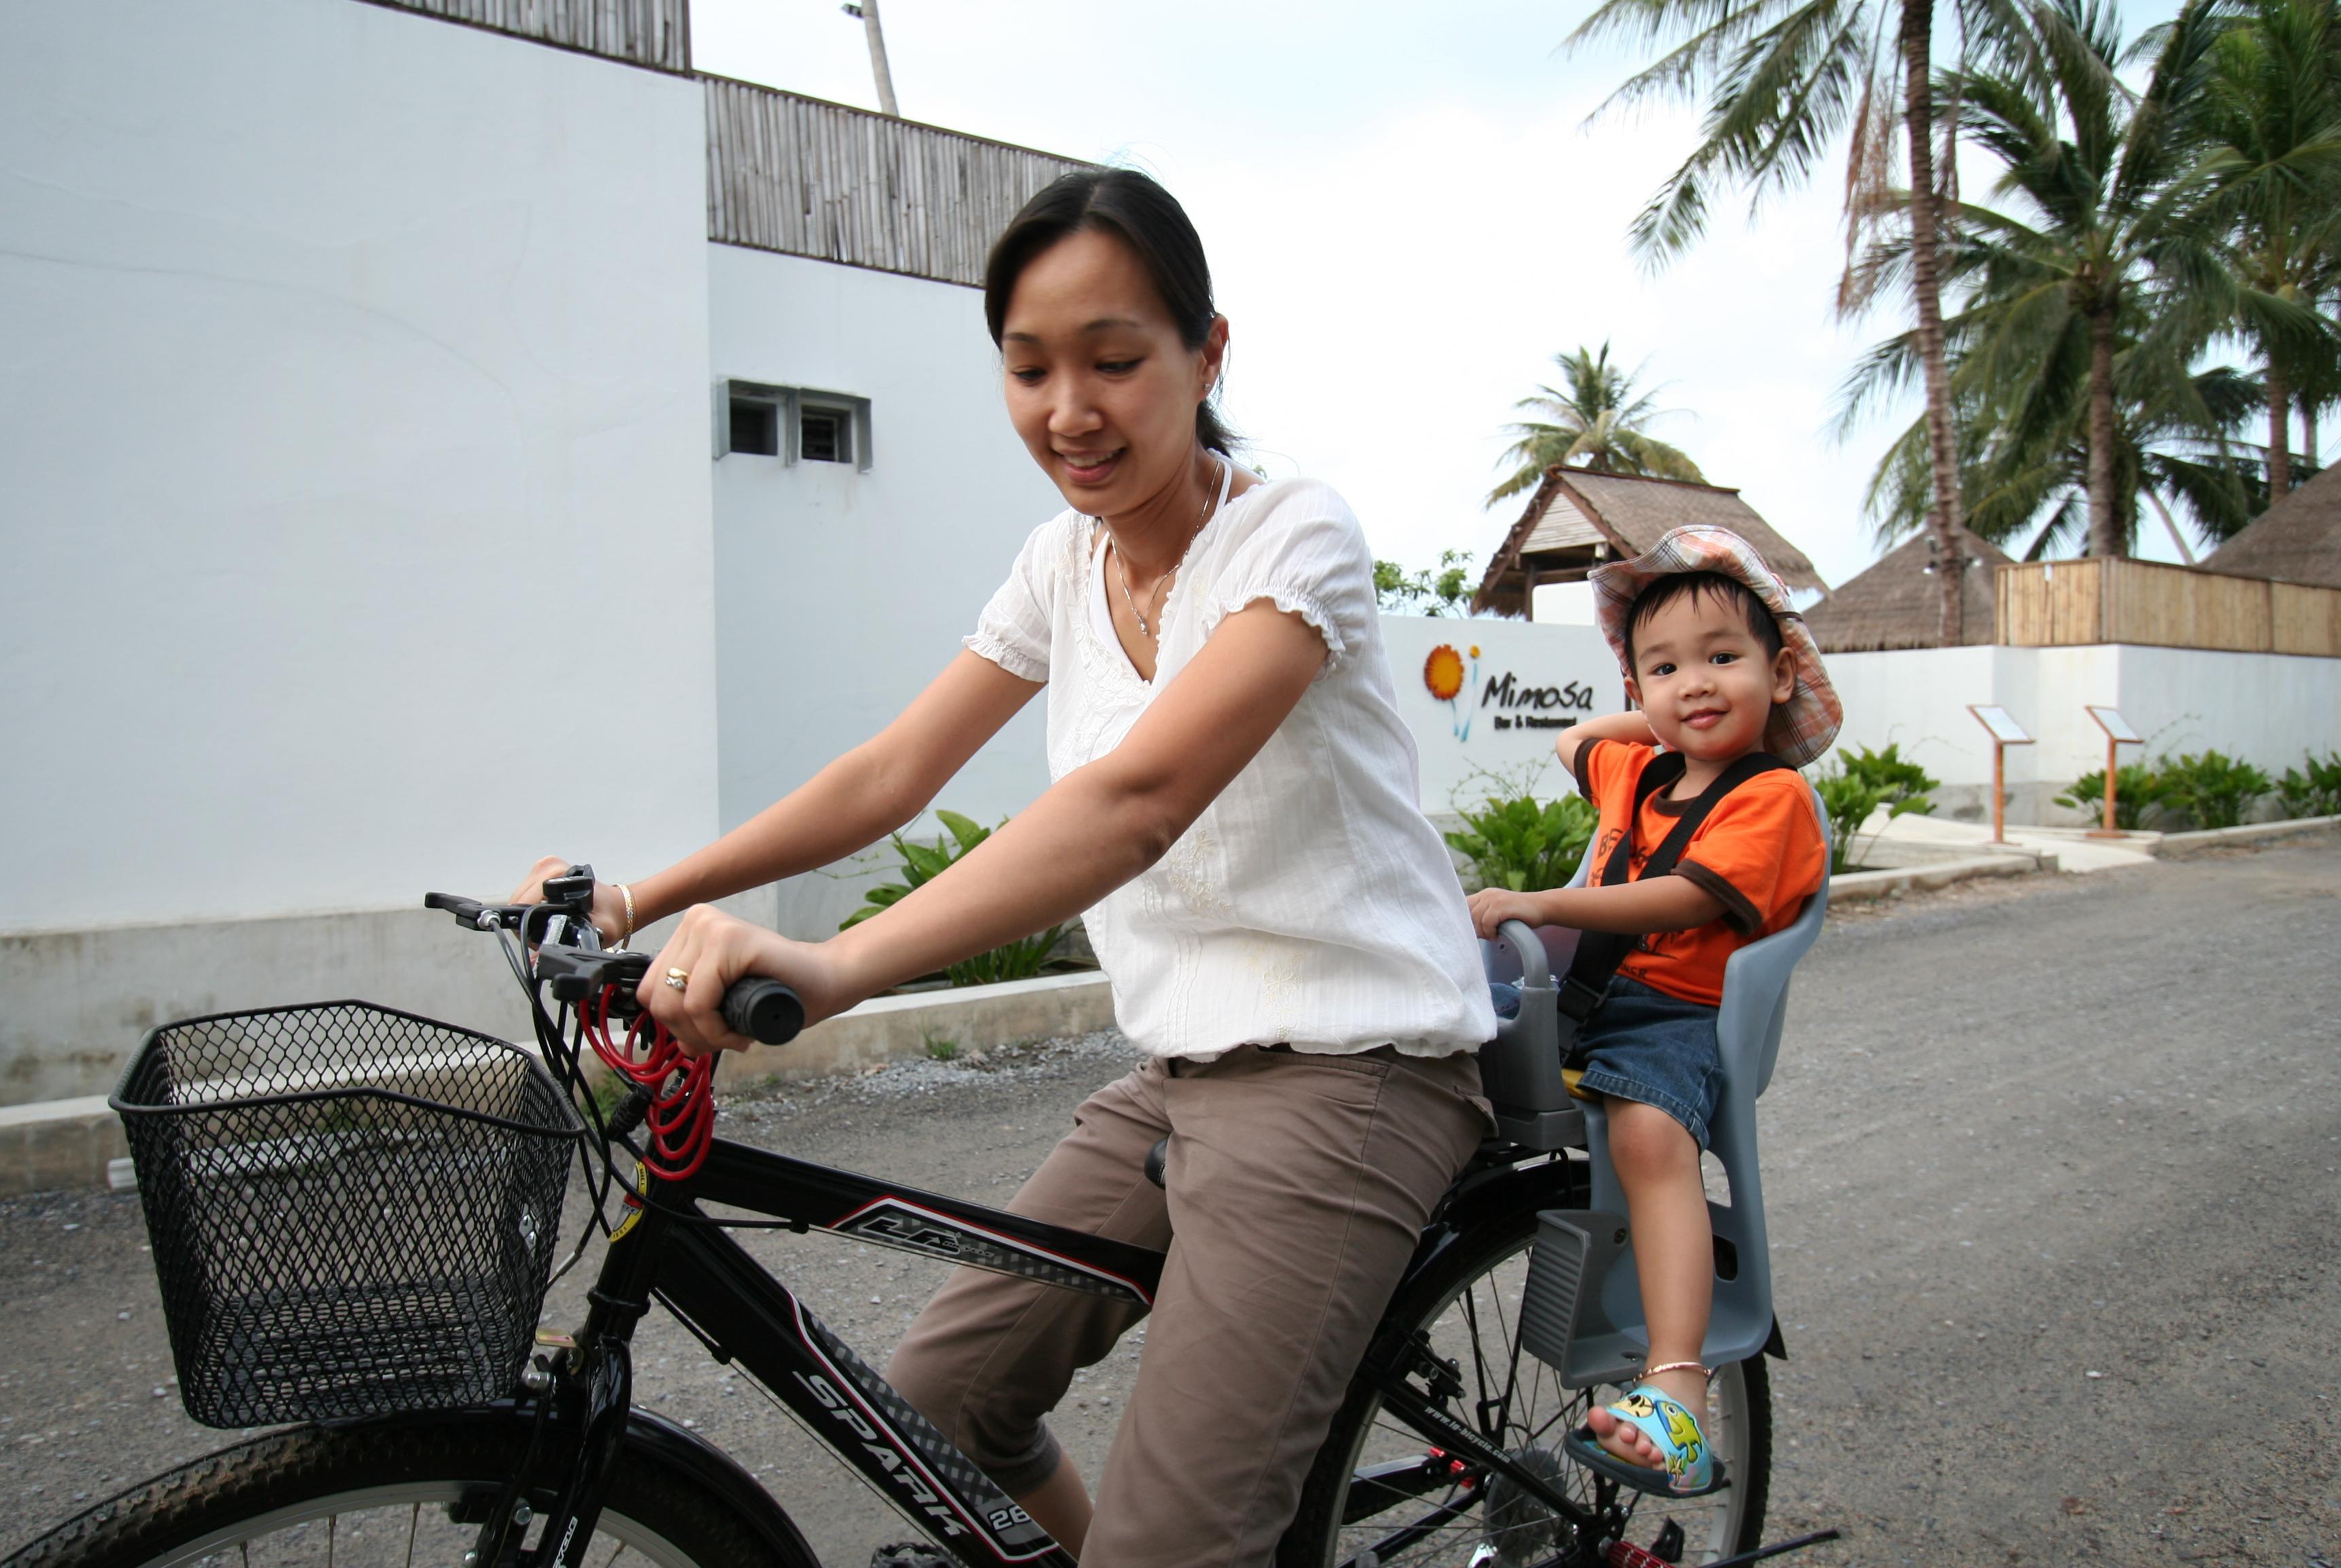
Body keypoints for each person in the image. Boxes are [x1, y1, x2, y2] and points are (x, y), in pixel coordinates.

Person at [515, 169, 1494, 1568]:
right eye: (1029, 368)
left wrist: (837, 967)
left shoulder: (1294, 538)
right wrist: (642, 895)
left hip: (1354, 1072)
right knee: (939, 1405)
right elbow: (887, 775)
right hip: (1182, 1070)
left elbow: (1141, 800)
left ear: (1208, 354)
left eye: (1114, 360)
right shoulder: (1061, 562)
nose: (1068, 411)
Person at [1466, 527, 1839, 1496]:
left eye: (1725, 659)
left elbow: (1685, 901)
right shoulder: (1643, 768)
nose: (1698, 684)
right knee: (1441, 1036)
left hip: (1680, 1019)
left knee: (1648, 1138)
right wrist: (1658, 721)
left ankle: (1678, 1392)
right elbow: (1575, 739)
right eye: (1665, 668)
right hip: (1597, 993)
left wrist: (1544, 903)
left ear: (1782, 672)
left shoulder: (1776, 797)